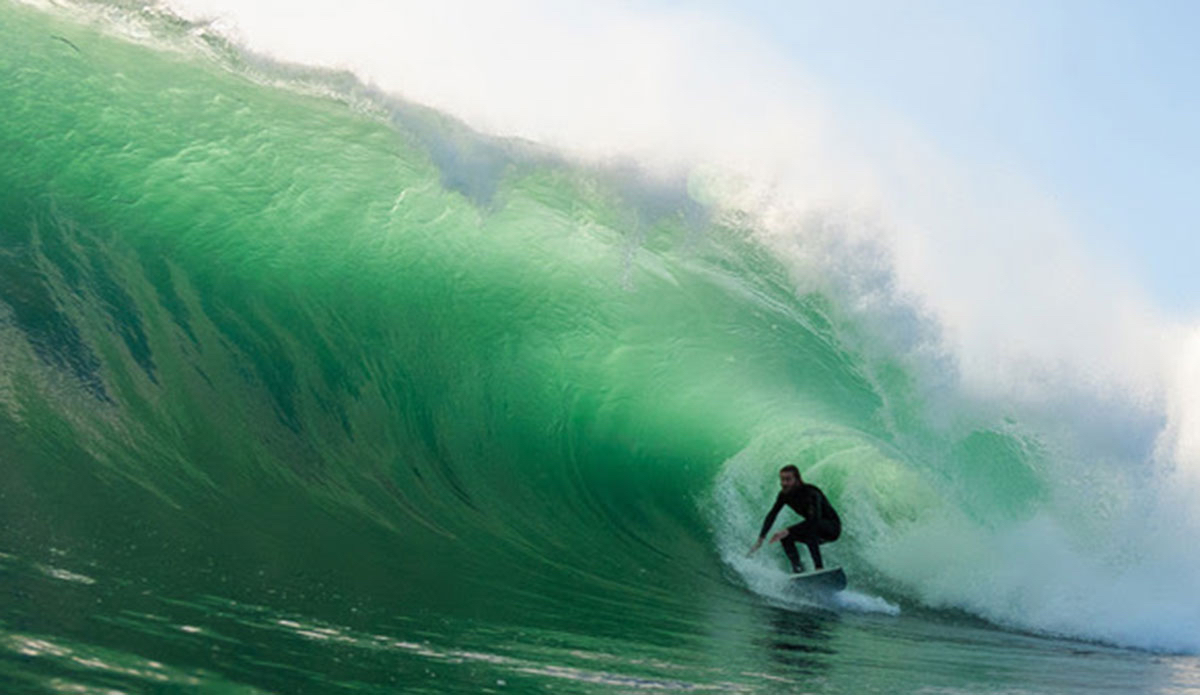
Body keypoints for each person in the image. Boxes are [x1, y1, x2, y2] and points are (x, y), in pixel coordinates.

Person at [747, 464, 840, 573]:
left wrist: (788, 530)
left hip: (832, 528)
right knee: (786, 537)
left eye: (788, 479)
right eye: (782, 480)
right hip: (813, 527)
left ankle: (819, 568)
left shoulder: (811, 492)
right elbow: (772, 514)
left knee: (809, 531)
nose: (784, 483)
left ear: (797, 479)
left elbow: (815, 520)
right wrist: (761, 539)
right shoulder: (784, 495)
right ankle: (798, 569)